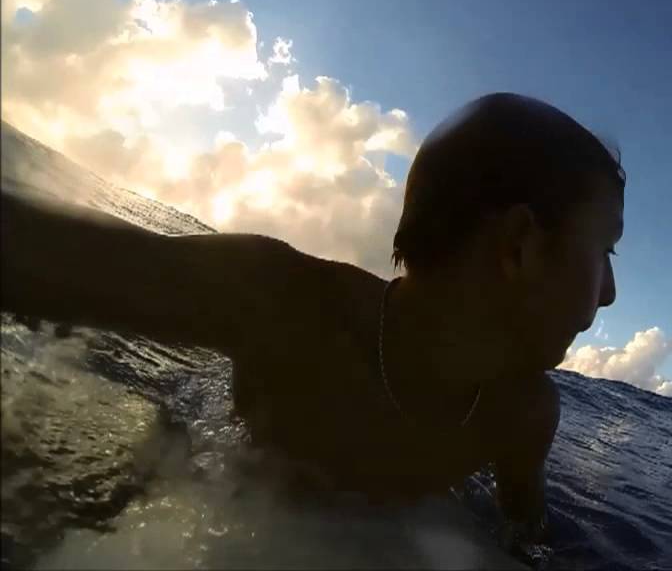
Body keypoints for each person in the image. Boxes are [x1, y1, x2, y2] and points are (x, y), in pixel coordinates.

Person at [0, 92, 624, 549]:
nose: (610, 294)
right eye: (606, 251)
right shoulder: (282, 304)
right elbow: (34, 252)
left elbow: (526, 542)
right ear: (522, 246)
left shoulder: (522, 414)